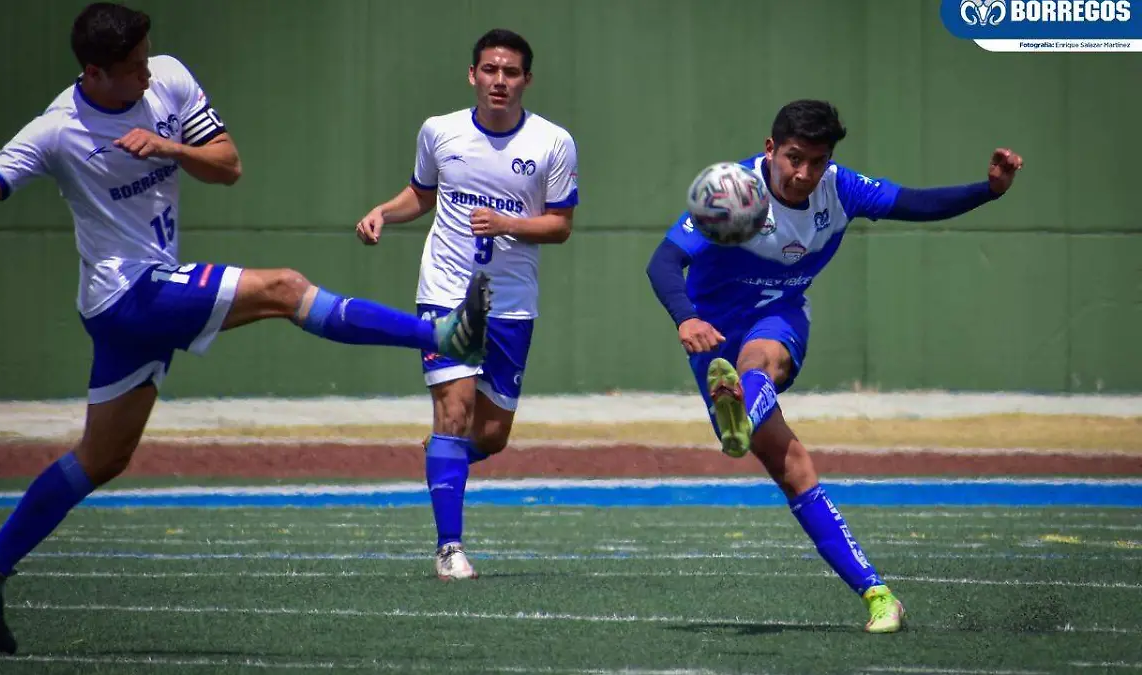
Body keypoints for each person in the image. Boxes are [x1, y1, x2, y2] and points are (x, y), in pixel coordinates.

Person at [0, 2, 490, 653]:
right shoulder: (58, 130)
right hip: (128, 295)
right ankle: (442, 337)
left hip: (142, 299)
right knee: (285, 288)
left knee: (103, 456)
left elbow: (227, 164)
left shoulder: (168, 77)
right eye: (133, 68)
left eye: (148, 59)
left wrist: (170, 146)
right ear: (93, 71)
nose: (148, 74)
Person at [646, 99, 1023, 633]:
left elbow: (915, 203)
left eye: (817, 162)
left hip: (779, 314)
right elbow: (663, 262)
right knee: (792, 468)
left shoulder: (840, 188)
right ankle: (879, 594)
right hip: (711, 335)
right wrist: (685, 320)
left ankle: (741, 414)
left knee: (760, 362)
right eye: (794, 158)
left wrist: (988, 190)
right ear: (771, 148)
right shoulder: (733, 190)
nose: (804, 174)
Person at [355, 29, 578, 580]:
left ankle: (442, 459)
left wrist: (509, 224)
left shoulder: (553, 142)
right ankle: (449, 549)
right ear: (472, 75)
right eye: (489, 70)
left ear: (526, 79)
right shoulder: (440, 131)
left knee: (491, 435)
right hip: (447, 290)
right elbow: (422, 194)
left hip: (512, 301)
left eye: (510, 72)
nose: (499, 80)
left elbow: (560, 226)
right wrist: (385, 211)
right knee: (453, 410)